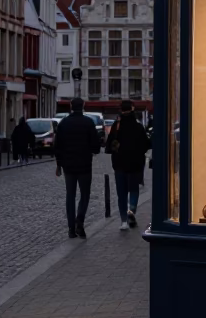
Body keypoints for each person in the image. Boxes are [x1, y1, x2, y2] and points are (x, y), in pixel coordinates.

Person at [53, 97, 100, 238]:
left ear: (71, 106)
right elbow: (96, 147)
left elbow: (57, 146)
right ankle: (80, 220)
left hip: (68, 165)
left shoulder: (64, 123)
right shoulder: (89, 123)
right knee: (85, 195)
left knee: (70, 196)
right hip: (85, 165)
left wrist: (59, 164)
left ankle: (71, 228)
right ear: (83, 106)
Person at [106, 101, 150, 229]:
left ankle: (123, 221)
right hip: (135, 164)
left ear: (121, 110)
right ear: (132, 109)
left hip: (119, 164)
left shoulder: (116, 126)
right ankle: (131, 211)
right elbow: (146, 145)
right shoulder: (138, 126)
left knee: (122, 192)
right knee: (134, 189)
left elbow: (109, 146)